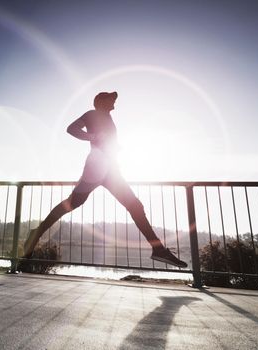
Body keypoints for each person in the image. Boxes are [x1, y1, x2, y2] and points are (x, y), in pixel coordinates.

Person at [23, 91, 187, 268]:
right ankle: (36, 233)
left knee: (133, 206)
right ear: (100, 101)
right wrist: (92, 137)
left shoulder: (108, 118)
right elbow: (72, 129)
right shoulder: (92, 114)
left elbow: (105, 142)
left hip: (109, 169)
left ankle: (158, 249)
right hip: (98, 167)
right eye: (111, 98)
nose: (114, 101)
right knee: (73, 203)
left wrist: (113, 148)